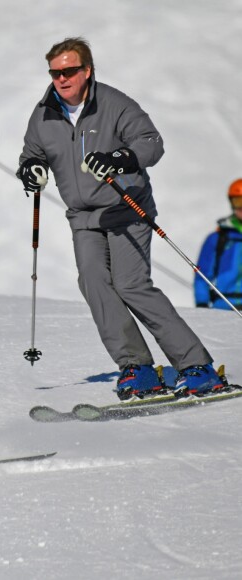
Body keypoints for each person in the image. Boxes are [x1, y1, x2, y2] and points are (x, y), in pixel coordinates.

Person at [16, 37, 224, 399]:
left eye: (69, 71)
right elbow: (32, 153)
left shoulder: (113, 103)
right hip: (83, 217)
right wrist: (30, 169)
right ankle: (138, 368)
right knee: (94, 282)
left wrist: (120, 158)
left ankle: (195, 367)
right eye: (55, 72)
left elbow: (151, 143)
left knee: (131, 285)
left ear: (87, 71)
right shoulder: (44, 113)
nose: (61, 79)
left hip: (127, 209)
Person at [195, 179, 242, 310]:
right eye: (238, 202)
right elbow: (201, 274)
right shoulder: (216, 239)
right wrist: (202, 303)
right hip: (223, 307)